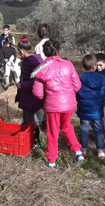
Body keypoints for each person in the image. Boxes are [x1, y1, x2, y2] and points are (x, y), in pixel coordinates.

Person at [32, 39, 84, 169]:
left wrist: (48, 97)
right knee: (66, 127)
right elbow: (77, 85)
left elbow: (37, 93)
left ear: (44, 53)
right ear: (59, 50)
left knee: (53, 132)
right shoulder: (68, 64)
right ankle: (78, 152)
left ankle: (52, 161)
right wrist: (68, 95)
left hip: (52, 106)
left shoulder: (41, 69)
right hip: (69, 104)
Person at [76, 54, 105, 159]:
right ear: (95, 66)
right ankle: (101, 152)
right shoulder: (102, 78)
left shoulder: (80, 79)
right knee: (98, 130)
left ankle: (83, 149)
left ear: (83, 66)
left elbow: (77, 94)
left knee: (84, 129)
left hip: (84, 109)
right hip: (97, 110)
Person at [15, 36, 44, 149]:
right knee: (26, 119)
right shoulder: (27, 60)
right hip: (26, 95)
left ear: (21, 51)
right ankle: (26, 139)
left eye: (18, 52)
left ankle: (35, 142)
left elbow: (36, 81)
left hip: (31, 96)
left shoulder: (33, 62)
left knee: (32, 121)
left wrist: (22, 85)